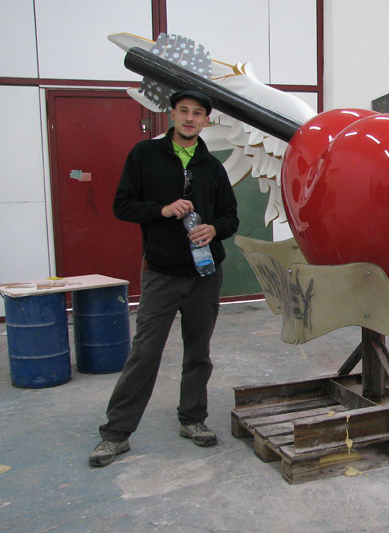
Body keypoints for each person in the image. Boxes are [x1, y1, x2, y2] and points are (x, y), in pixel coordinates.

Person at [89, 90, 239, 467]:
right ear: (172, 115)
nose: (190, 118)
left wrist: (213, 229)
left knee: (198, 352)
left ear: (206, 121)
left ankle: (192, 419)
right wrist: (162, 210)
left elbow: (230, 217)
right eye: (183, 111)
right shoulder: (145, 155)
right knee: (145, 353)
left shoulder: (212, 167)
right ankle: (116, 434)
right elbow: (122, 206)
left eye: (198, 113)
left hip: (205, 275)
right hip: (162, 274)